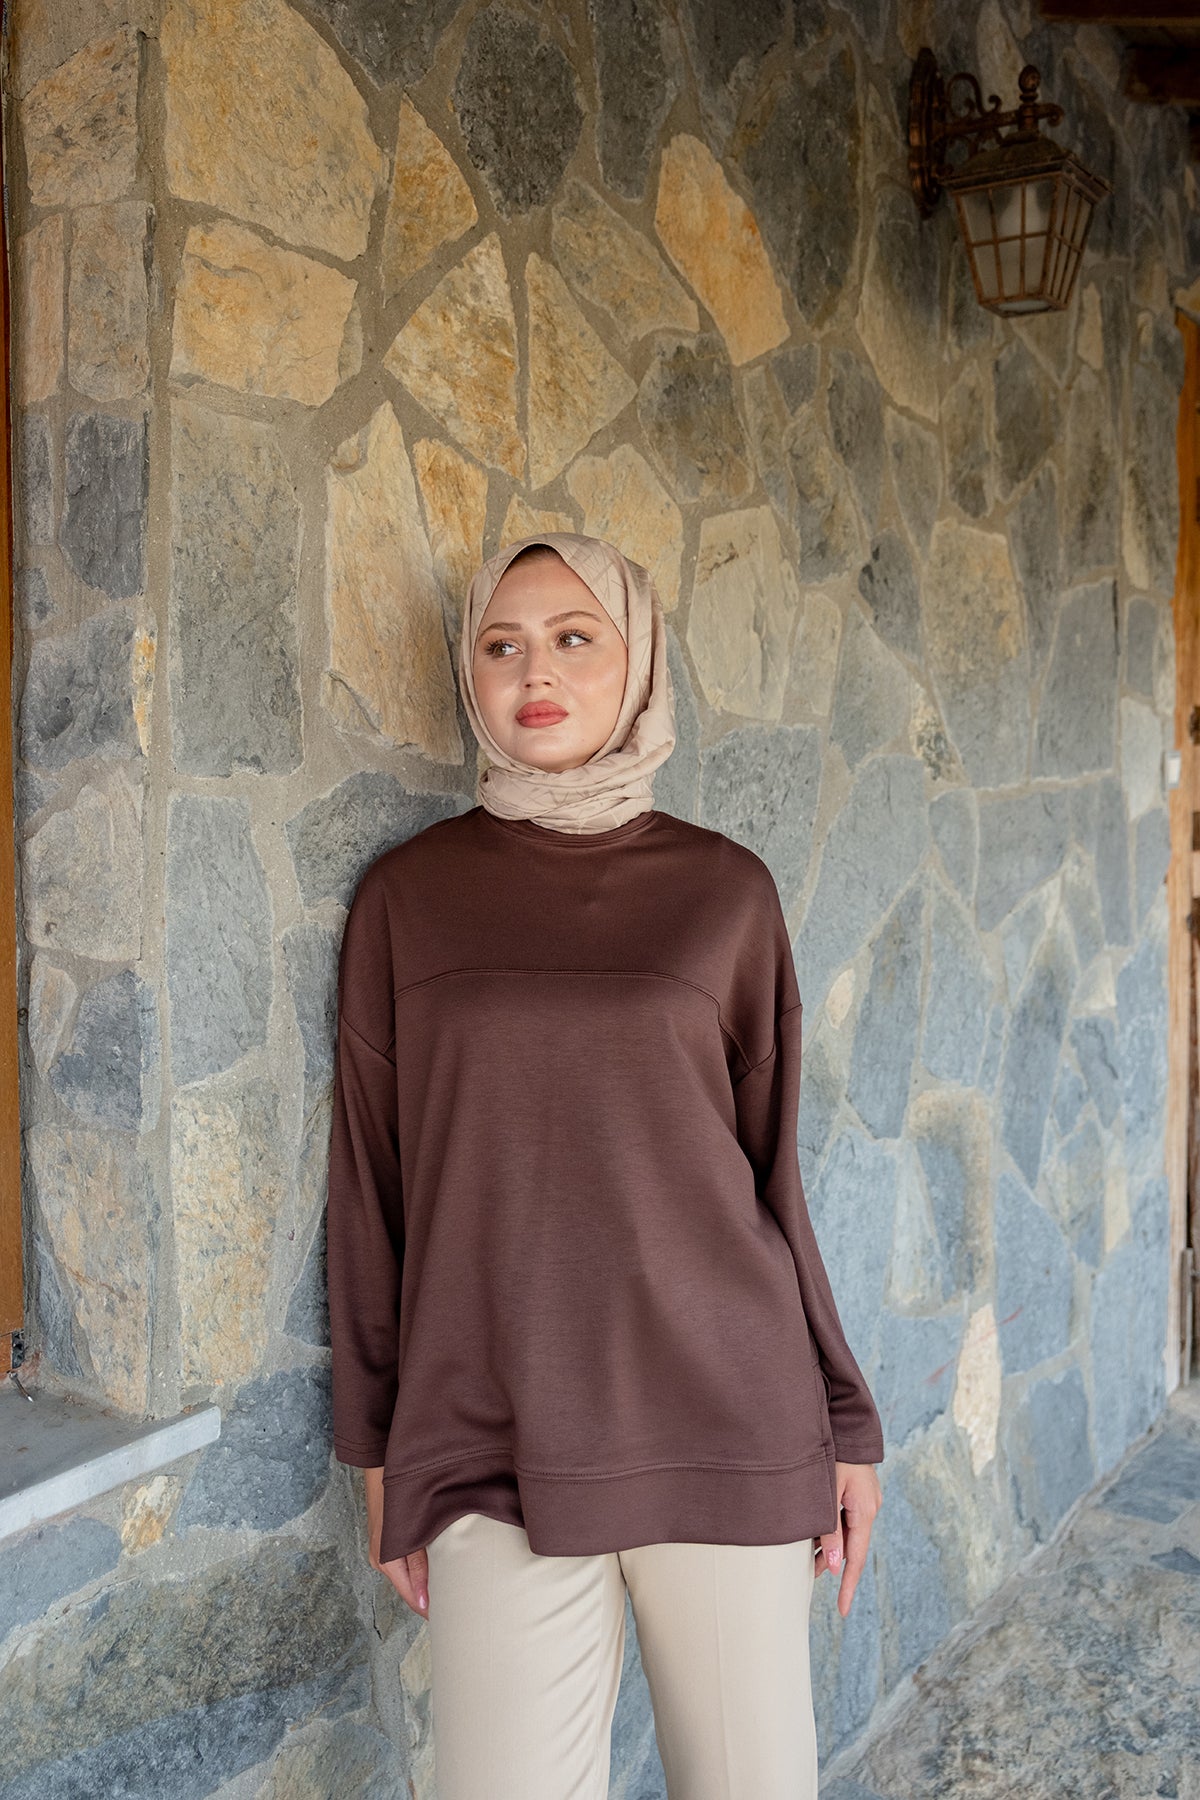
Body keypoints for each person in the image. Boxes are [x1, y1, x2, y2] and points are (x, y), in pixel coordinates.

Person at [326, 531, 884, 1800]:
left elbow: (771, 1184)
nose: (537, 671)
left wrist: (846, 1419)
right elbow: (370, 1192)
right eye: (502, 643)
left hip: (724, 1419)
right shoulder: (406, 901)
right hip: (489, 1438)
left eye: (575, 638)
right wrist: (379, 1450)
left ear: (637, 664)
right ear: (469, 674)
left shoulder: (725, 893)